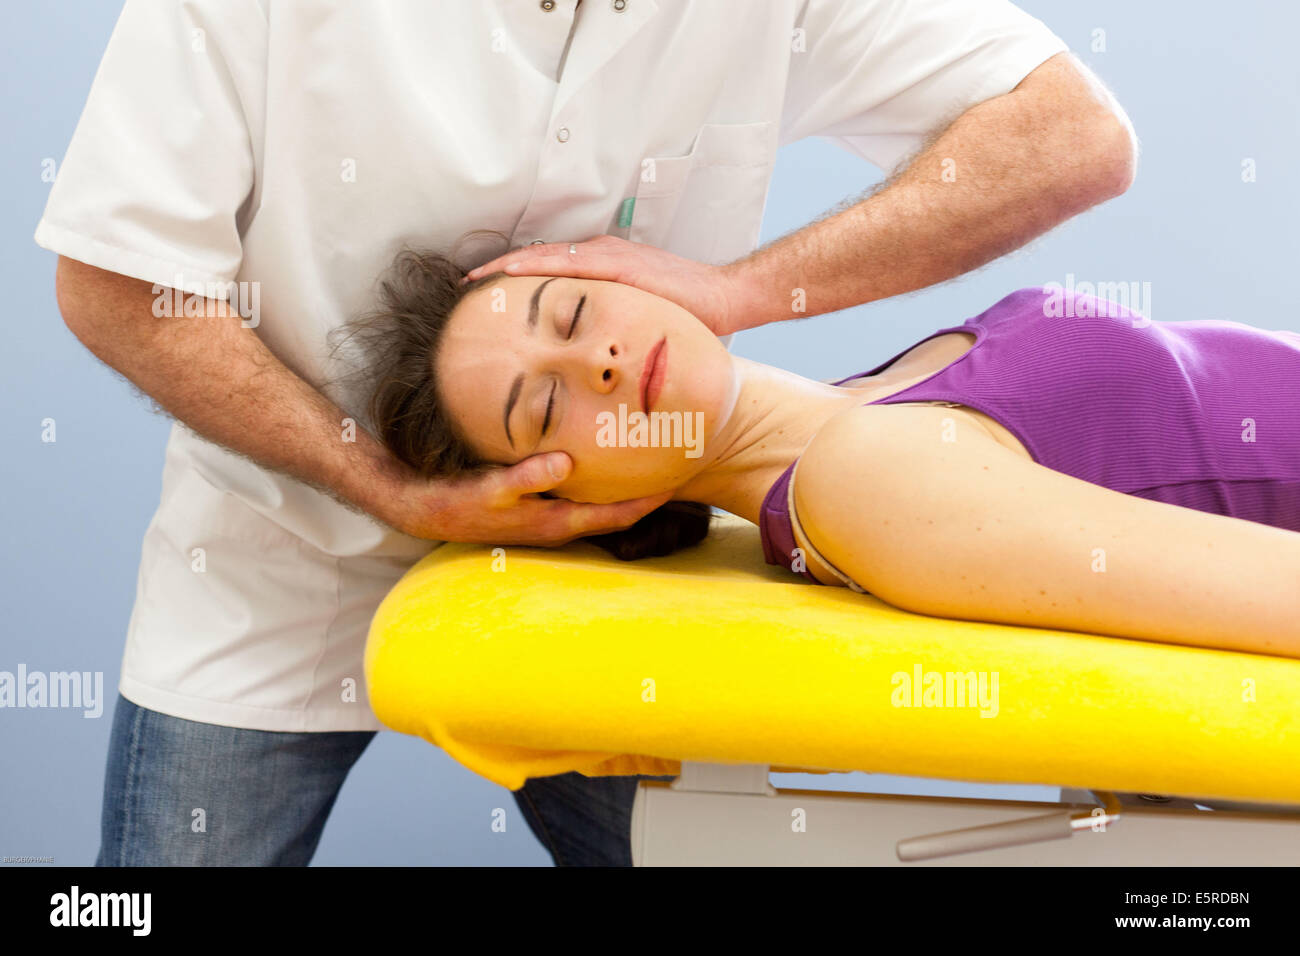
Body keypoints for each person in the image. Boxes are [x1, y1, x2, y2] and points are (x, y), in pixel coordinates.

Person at [36, 0, 1134, 865]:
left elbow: (1070, 136)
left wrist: (746, 290)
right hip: (275, 559)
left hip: (609, 582)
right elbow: (117, 283)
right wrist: (375, 479)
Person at [343, 251, 1300, 656]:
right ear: (562, 501)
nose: (594, 360)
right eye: (541, 406)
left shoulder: (867, 394)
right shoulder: (861, 483)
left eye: (574, 311)